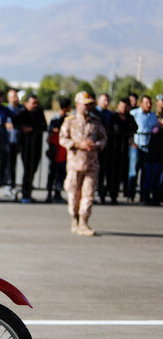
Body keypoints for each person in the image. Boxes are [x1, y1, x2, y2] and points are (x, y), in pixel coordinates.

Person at [59, 91, 107, 236]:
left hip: (91, 164)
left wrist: (97, 145)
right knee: (73, 195)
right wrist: (77, 145)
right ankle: (74, 219)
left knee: (89, 195)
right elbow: (62, 138)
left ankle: (84, 222)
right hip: (75, 164)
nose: (88, 107)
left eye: (90, 104)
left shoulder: (96, 121)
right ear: (78, 105)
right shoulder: (70, 121)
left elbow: (104, 138)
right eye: (85, 105)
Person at [13, 95, 47, 203]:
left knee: (34, 169)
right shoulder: (22, 113)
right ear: (26, 103)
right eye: (33, 103)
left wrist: (33, 129)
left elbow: (44, 125)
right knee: (27, 169)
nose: (35, 105)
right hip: (26, 146)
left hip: (36, 145)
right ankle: (25, 193)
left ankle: (29, 191)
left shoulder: (39, 112)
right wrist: (23, 128)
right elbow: (15, 123)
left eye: (36, 103)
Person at [107, 99, 138, 204]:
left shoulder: (130, 118)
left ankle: (128, 192)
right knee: (113, 172)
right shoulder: (113, 117)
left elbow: (135, 128)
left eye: (125, 106)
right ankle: (112, 193)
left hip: (126, 149)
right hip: (114, 149)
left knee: (126, 171)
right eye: (121, 106)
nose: (123, 109)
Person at [129, 95, 159, 201]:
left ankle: (143, 195)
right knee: (133, 171)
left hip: (148, 147)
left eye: (150, 103)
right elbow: (130, 129)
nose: (149, 105)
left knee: (145, 172)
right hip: (136, 146)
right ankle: (130, 194)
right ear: (141, 103)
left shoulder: (153, 116)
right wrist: (132, 141)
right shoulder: (134, 113)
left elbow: (155, 129)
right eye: (146, 103)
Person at [45, 97, 71, 203]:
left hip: (64, 151)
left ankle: (57, 193)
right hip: (55, 150)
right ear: (66, 107)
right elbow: (50, 131)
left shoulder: (68, 119)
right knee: (53, 172)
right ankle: (49, 193)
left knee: (61, 173)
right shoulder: (55, 119)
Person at [93, 93, 113, 203]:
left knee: (104, 170)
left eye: (108, 100)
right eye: (104, 100)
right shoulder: (93, 114)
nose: (107, 103)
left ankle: (102, 192)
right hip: (94, 148)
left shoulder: (110, 114)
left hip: (106, 147)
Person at [5, 88, 24, 197]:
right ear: (8, 99)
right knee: (9, 165)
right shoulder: (7, 110)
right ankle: (9, 186)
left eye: (16, 96)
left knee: (17, 164)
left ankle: (16, 186)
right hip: (9, 142)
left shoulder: (21, 109)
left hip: (20, 140)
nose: (16, 98)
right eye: (13, 96)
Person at [142, 124, 163, 205]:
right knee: (150, 178)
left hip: (160, 159)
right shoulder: (156, 129)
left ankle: (156, 197)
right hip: (153, 158)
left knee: (158, 179)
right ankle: (146, 196)